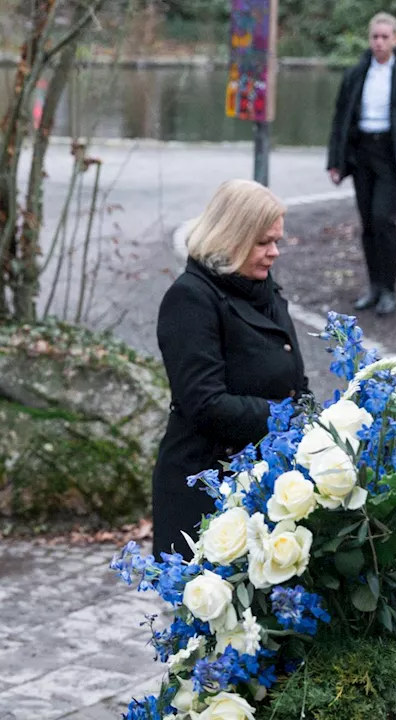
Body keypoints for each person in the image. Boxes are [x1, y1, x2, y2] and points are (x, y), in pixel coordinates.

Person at [152, 179, 310, 559]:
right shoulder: (190, 298)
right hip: (205, 491)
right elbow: (204, 403)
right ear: (231, 237)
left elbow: (293, 378)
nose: (274, 253)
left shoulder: (263, 289)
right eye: (262, 242)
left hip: (264, 485)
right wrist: (287, 418)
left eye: (277, 241)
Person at [327, 11, 396, 317]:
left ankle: (389, 289)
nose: (379, 42)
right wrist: (335, 161)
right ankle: (374, 286)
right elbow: (340, 119)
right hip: (362, 152)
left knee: (383, 220)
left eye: (385, 37)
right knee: (367, 224)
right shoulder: (357, 72)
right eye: (374, 37)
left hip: (392, 155)